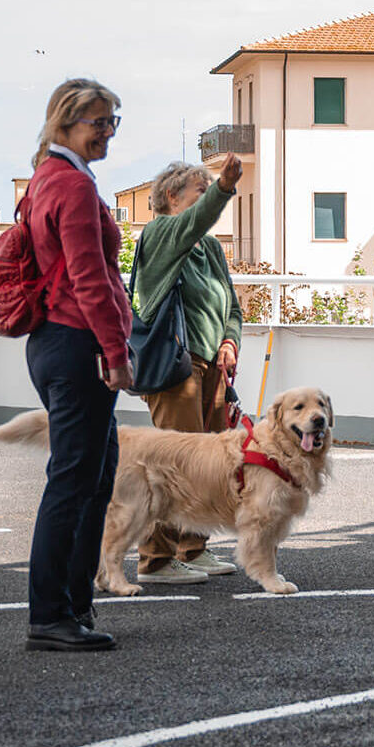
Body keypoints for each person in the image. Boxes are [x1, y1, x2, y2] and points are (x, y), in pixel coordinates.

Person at [21, 79, 131, 652]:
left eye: (113, 120)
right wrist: (115, 354)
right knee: (73, 481)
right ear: (64, 124)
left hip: (53, 343)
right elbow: (91, 280)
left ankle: (73, 604)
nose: (108, 131)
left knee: (95, 474)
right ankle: (50, 615)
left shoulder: (47, 178)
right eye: (97, 122)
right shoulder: (73, 186)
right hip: (76, 345)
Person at [127, 155, 247, 585]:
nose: (207, 199)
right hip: (178, 365)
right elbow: (195, 221)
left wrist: (230, 340)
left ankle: (192, 549)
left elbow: (231, 304)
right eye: (200, 190)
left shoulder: (210, 248)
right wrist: (225, 187)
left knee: (206, 466)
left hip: (212, 365)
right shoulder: (160, 232)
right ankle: (155, 559)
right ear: (173, 197)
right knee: (172, 465)